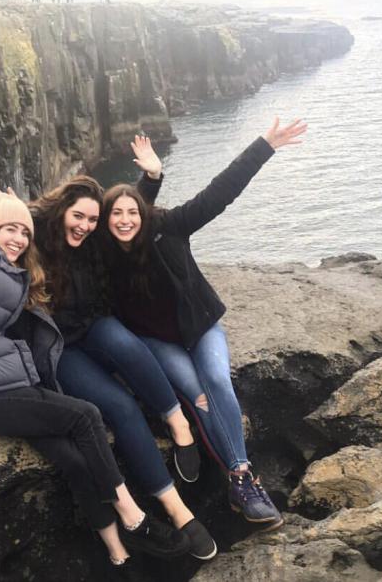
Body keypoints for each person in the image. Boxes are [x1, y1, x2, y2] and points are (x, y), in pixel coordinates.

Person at [0, 110, 191, 577]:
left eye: (24, 232)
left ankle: (117, 553)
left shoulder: (17, 271)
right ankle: (134, 516)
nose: (18, 237)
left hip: (11, 384)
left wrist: (148, 181)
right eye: (9, 229)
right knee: (87, 417)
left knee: (73, 459)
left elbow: (79, 227)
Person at [10, 139, 217, 561]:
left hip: (94, 323)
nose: (85, 226)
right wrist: (0, 211)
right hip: (60, 347)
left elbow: (131, 216)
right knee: (120, 407)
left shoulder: (95, 238)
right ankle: (177, 511)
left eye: (91, 219)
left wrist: (153, 178)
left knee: (130, 345)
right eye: (78, 216)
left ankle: (178, 423)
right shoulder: (36, 237)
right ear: (60, 212)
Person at [100, 119, 307, 532]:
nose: (124, 220)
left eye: (131, 212)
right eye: (115, 214)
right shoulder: (103, 254)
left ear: (142, 213)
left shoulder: (170, 226)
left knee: (216, 379)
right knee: (199, 397)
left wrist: (263, 145)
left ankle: (241, 479)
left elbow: (220, 193)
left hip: (200, 328)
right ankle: (243, 481)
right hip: (159, 341)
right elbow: (66, 226)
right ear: (106, 220)